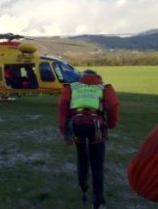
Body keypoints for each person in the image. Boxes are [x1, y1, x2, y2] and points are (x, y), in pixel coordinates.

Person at [58, 69, 119, 209]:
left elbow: (62, 105)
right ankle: (97, 201)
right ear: (98, 77)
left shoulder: (72, 87)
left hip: (77, 125)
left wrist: (64, 129)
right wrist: (111, 124)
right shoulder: (104, 87)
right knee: (97, 166)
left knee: (82, 156)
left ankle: (83, 186)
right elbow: (114, 105)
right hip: (96, 126)